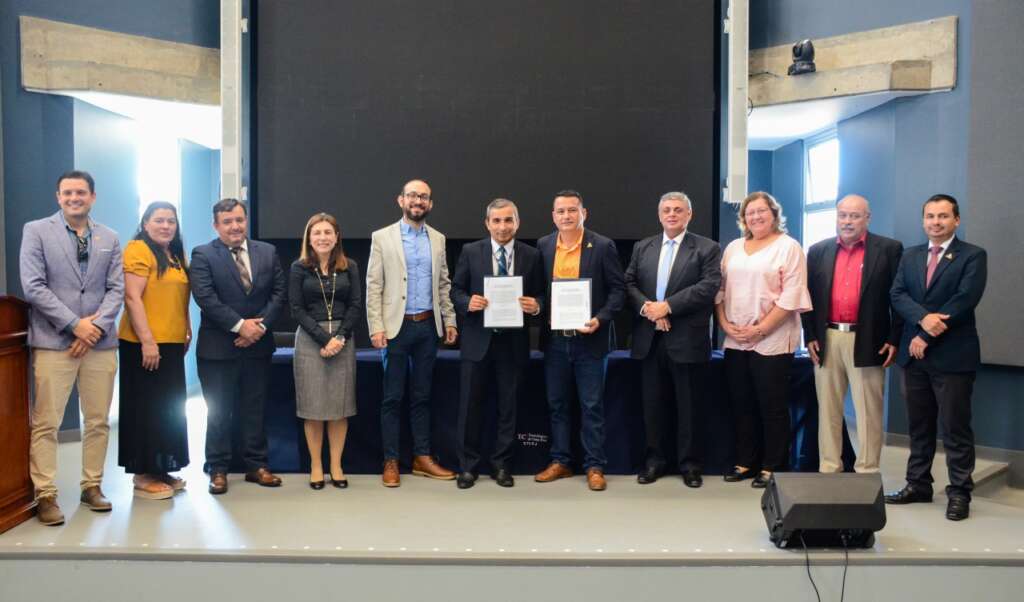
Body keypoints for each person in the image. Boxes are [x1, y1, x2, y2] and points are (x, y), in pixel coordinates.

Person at [19, 170, 124, 525]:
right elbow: (33, 287)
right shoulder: (36, 231)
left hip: (100, 343)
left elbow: (116, 289)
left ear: (93, 197)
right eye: (67, 192)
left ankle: (91, 486)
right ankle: (46, 493)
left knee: (98, 421)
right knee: (46, 421)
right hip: (53, 343)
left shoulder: (109, 236)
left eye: (81, 192)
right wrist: (73, 325)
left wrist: (93, 327)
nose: (74, 197)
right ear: (58, 196)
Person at [886, 194, 987, 521]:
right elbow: (897, 294)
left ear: (956, 220)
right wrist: (922, 320)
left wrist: (926, 333)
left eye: (943, 216)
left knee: (955, 427)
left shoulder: (972, 256)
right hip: (913, 357)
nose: (936, 222)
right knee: (919, 425)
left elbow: (964, 299)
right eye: (930, 216)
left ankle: (959, 492)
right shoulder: (911, 256)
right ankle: (918, 484)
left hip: (953, 356)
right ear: (923, 220)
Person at [624, 191, 721, 488]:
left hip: (687, 341)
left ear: (689, 215)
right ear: (659, 214)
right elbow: (628, 282)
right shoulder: (644, 247)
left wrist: (667, 307)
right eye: (666, 209)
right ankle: (654, 461)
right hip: (649, 340)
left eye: (678, 210)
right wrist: (649, 310)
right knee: (653, 406)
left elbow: (708, 286)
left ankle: (689, 465)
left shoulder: (707, 248)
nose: (672, 214)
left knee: (689, 407)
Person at [190, 198, 287, 494]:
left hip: (257, 347)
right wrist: (240, 325)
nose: (235, 226)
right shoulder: (203, 254)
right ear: (216, 225)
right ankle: (218, 469)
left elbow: (279, 293)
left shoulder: (267, 252)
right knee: (218, 412)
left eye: (239, 220)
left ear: (246, 221)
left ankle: (256, 465)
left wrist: (258, 328)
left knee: (254, 409)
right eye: (228, 221)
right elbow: (205, 297)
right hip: (218, 349)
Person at [366, 179, 458, 487]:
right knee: (392, 397)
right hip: (395, 327)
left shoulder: (439, 239)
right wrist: (376, 326)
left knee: (422, 396)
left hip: (428, 327)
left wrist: (450, 321)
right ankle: (390, 460)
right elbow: (374, 286)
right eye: (412, 196)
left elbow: (443, 284)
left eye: (424, 197)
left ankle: (422, 457)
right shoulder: (382, 237)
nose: (418, 201)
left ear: (430, 204)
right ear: (401, 200)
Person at [715, 191, 811, 488]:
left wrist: (760, 330)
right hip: (735, 339)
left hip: (773, 340)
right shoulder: (733, 248)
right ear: (743, 218)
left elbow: (791, 295)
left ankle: (773, 465)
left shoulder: (789, 247)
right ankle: (746, 461)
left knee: (772, 406)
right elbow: (719, 292)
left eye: (761, 211)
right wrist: (726, 326)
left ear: (774, 213)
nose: (755, 217)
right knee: (741, 404)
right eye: (750, 213)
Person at [802, 194, 903, 474]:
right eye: (843, 215)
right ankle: (829, 468)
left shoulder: (888, 249)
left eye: (855, 216)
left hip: (869, 339)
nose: (847, 221)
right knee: (828, 411)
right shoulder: (818, 250)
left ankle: (867, 472)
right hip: (827, 338)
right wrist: (809, 335)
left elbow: (899, 297)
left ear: (867, 218)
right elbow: (807, 297)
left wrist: (894, 338)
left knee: (868, 411)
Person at [451, 199, 545, 489]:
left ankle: (502, 465)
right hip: (478, 341)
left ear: (517, 223)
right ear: (487, 223)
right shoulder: (470, 251)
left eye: (508, 220)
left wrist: (536, 306)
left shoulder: (532, 255)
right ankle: (467, 468)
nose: (502, 227)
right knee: (469, 407)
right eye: (497, 221)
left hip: (514, 343)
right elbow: (455, 290)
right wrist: (468, 302)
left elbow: (542, 294)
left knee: (509, 407)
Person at [535, 190, 625, 491]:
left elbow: (617, 292)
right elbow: (540, 292)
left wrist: (600, 318)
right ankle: (560, 461)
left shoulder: (602, 246)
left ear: (583, 213)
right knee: (557, 404)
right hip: (556, 341)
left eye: (572, 210)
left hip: (590, 340)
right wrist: (543, 311)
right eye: (560, 211)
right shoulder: (544, 246)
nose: (566, 216)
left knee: (592, 406)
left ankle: (594, 466)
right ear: (553, 215)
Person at [117, 201, 192, 500]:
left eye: (171, 221)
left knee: (167, 409)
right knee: (145, 408)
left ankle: (161, 467)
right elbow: (132, 298)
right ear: (145, 223)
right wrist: (147, 340)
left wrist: (187, 329)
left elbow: (181, 296)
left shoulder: (174, 254)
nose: (165, 226)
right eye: (159, 220)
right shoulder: (138, 250)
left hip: (172, 343)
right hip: (142, 345)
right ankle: (143, 473)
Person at [289, 213, 361, 490]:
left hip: (343, 338)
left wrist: (339, 337)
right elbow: (296, 309)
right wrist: (323, 339)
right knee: (314, 409)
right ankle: (316, 466)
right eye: (317, 232)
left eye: (327, 232)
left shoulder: (349, 266)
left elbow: (356, 305)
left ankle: (336, 465)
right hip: (310, 340)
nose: (322, 237)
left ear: (336, 237)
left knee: (339, 408)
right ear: (309, 237)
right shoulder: (299, 268)